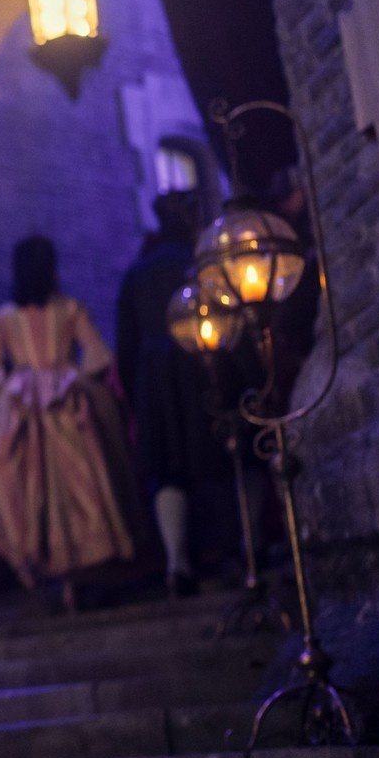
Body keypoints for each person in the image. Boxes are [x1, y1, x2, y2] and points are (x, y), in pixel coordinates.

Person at [0, 236, 136, 610]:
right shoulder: (70, 309)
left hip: (22, 406)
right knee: (78, 483)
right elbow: (97, 355)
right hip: (64, 401)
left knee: (30, 486)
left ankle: (56, 573)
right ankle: (73, 575)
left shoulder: (5, 317)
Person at [116, 192, 224, 594]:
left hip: (153, 377)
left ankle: (178, 563)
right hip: (197, 367)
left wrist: (136, 391)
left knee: (168, 470)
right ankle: (227, 552)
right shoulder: (197, 264)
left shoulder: (138, 272)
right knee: (212, 457)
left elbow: (125, 343)